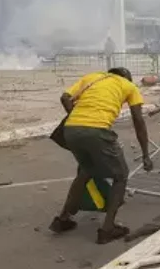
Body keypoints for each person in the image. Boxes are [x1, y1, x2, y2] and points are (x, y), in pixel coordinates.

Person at [51, 67, 153, 244]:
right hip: (97, 131)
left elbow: (64, 97)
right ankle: (107, 229)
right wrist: (145, 154)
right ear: (127, 78)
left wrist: (78, 118)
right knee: (120, 176)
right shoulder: (129, 86)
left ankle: (63, 219)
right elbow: (138, 120)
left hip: (71, 129)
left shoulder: (92, 77)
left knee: (85, 171)